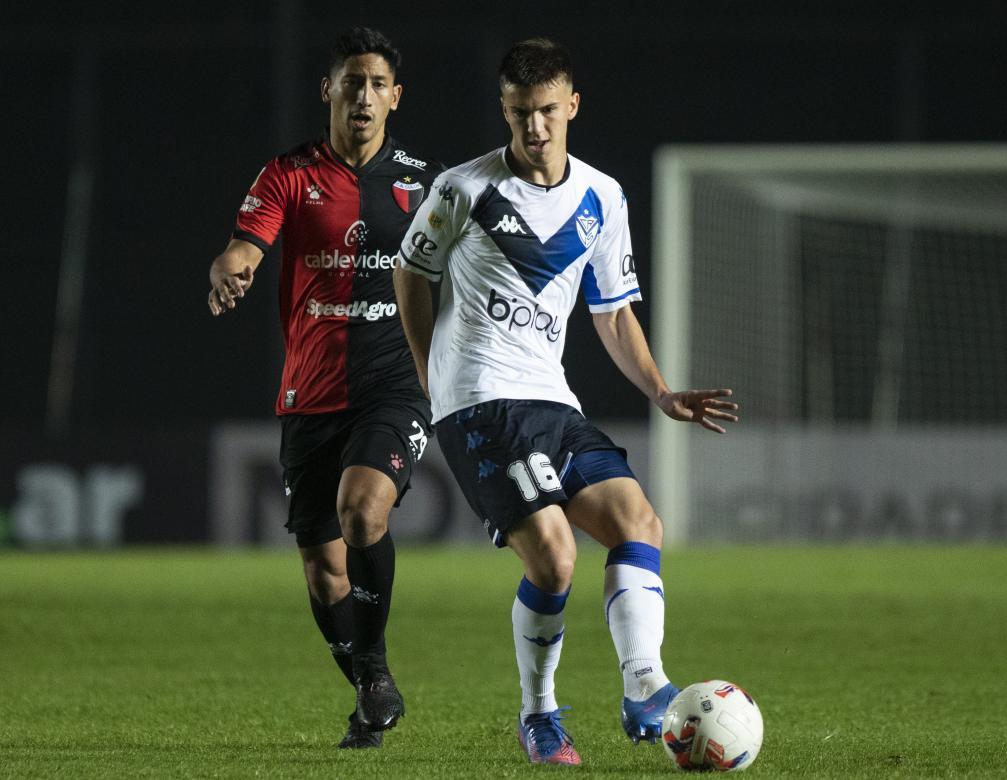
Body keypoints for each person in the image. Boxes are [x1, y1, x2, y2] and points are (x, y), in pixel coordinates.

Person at [392, 37, 738, 766]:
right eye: (520, 112)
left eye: (548, 110)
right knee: (553, 559)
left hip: (553, 401)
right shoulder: (463, 190)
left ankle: (644, 683)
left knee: (638, 521)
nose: (535, 127)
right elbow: (411, 271)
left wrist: (660, 390)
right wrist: (432, 374)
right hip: (481, 401)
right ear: (504, 109)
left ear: (572, 105)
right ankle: (539, 714)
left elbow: (611, 314)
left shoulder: (602, 197)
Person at [206, 26, 443, 749]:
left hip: (395, 387)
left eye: (377, 84)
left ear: (394, 97)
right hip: (310, 395)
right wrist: (233, 263)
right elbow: (249, 241)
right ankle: (371, 689)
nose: (363, 95)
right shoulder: (288, 174)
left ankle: (371, 672)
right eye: (352, 82)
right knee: (321, 574)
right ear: (329, 91)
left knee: (363, 512)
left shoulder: (423, 184)